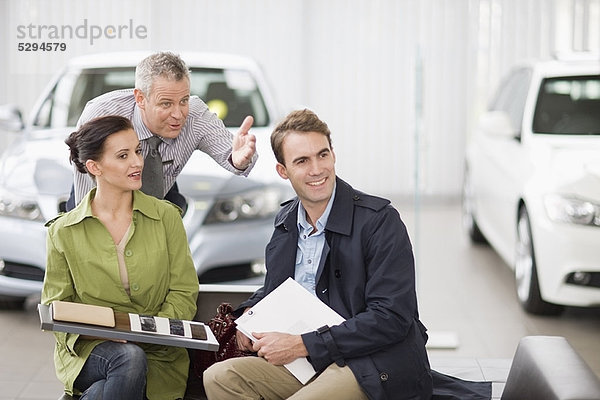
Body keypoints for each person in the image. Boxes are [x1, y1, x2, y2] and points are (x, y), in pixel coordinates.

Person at [203, 109, 433, 399]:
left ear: (333, 155)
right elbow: (275, 291)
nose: (316, 169)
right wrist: (248, 317)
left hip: (370, 363)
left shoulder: (380, 221)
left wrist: (303, 344)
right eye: (302, 161)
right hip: (306, 363)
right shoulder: (286, 221)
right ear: (283, 171)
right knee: (219, 378)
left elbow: (391, 317)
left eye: (322, 155)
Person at [42, 115, 199, 399]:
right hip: (92, 351)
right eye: (123, 155)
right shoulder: (63, 232)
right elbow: (56, 306)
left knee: (123, 368)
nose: (137, 163)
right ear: (94, 167)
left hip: (160, 354)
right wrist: (103, 332)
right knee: (127, 358)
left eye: (138, 151)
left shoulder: (166, 218)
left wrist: (147, 332)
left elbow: (184, 292)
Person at [66, 51, 258, 211]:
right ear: (140, 98)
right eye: (166, 104)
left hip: (161, 197)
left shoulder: (195, 116)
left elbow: (235, 155)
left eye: (183, 101)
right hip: (102, 200)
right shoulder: (101, 114)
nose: (178, 114)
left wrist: (240, 160)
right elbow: (84, 194)